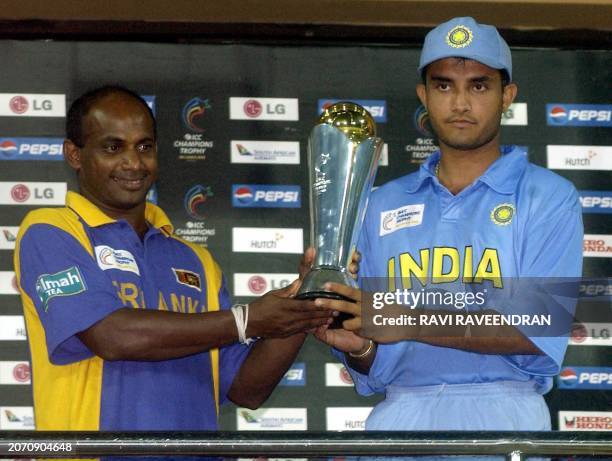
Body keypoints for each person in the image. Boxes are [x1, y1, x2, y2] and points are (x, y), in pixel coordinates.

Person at [314, 16, 583, 431]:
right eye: (444, 85)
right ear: (423, 94)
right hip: (397, 419)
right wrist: (359, 348)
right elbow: (372, 356)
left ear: (507, 95)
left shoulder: (548, 196)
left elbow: (537, 325)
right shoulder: (380, 203)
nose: (460, 103)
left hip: (505, 419)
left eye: (478, 85)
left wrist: (407, 318)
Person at [14, 86, 336, 431]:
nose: (134, 163)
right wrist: (246, 321)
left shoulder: (196, 260)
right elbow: (112, 335)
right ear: (74, 154)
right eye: (113, 147)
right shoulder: (52, 230)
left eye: (145, 146)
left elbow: (246, 388)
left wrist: (305, 301)